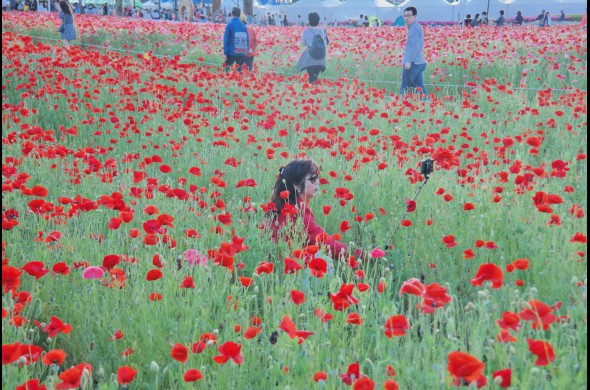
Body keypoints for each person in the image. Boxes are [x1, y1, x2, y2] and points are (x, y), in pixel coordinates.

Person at [266, 159, 362, 261]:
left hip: (277, 263)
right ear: (297, 186)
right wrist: (361, 255)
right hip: (291, 267)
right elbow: (326, 244)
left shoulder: (279, 206)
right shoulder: (298, 212)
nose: (317, 182)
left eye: (316, 177)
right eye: (312, 179)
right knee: (324, 259)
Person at [400, 6, 427, 98]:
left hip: (412, 63)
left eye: (409, 15)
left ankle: (402, 105)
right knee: (419, 87)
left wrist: (408, 61)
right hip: (419, 62)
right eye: (405, 15)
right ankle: (425, 104)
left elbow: (414, 46)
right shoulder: (415, 27)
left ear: (415, 16)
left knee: (405, 88)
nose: (406, 18)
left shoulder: (414, 29)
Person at [296, 12, 328, 84]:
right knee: (315, 76)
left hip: (310, 58)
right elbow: (325, 43)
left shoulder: (306, 31)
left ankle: (312, 89)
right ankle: (314, 88)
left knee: (311, 76)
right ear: (318, 21)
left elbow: (303, 44)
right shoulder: (321, 31)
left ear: (309, 21)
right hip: (320, 58)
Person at [223, 7, 249, 72]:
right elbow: (247, 40)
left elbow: (226, 39)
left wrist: (225, 52)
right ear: (239, 15)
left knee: (226, 69)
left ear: (232, 14)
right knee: (239, 71)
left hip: (232, 52)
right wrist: (246, 50)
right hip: (242, 52)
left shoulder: (230, 25)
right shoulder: (243, 26)